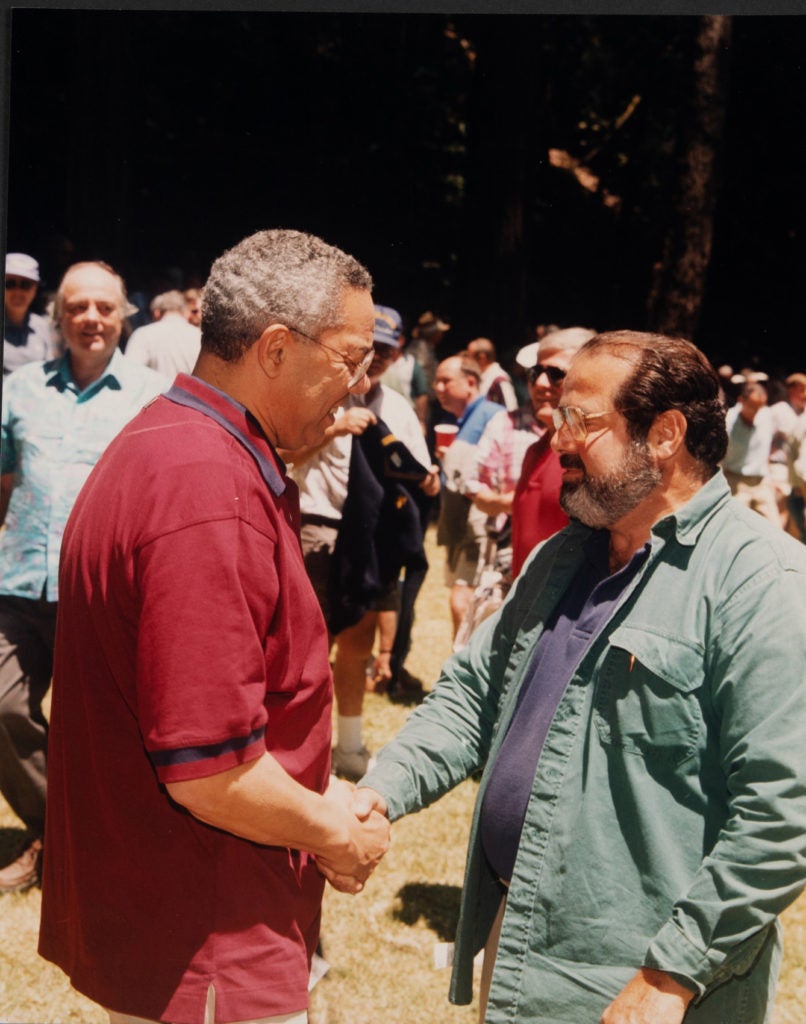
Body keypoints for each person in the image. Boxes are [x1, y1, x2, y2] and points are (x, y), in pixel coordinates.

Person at [355, 330, 806, 1024]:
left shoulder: (762, 582)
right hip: (521, 947)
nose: (558, 438)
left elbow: (784, 809)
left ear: (665, 435)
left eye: (580, 420)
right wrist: (380, 791)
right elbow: (473, 698)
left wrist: (671, 972)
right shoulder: (561, 558)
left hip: (648, 980)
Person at [38, 230, 391, 1024]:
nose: (358, 384)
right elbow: (208, 772)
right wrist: (335, 832)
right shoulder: (206, 486)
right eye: (349, 357)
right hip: (206, 934)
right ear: (276, 348)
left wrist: (318, 786)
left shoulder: (170, 443)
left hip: (173, 918)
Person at [0, 260, 169, 894]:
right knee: (3, 706)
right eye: (76, 307)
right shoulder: (20, 390)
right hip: (19, 581)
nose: (90, 318)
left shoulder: (154, 395)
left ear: (124, 316)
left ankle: (102, 847)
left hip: (105, 592)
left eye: (103, 306)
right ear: (57, 317)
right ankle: (57, 831)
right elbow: (4, 479)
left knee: (103, 731)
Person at [290, 304, 439, 779]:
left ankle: (350, 749)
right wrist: (334, 427)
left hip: (371, 538)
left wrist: (430, 479)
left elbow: (418, 469)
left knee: (357, 646)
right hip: (317, 527)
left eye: (386, 352)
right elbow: (284, 455)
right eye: (368, 349)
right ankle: (299, 750)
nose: (375, 361)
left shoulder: (396, 406)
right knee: (310, 648)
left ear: (397, 355)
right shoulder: (316, 395)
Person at [510, 326, 596, 576]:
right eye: (535, 372)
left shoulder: (589, 456)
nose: (540, 383)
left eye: (556, 374)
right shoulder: (535, 451)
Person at [433, 353, 503, 636]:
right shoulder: (461, 420)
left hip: (478, 526)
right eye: (436, 381)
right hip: (459, 524)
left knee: (464, 601)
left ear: (471, 382)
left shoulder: (493, 416)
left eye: (446, 381)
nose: (438, 388)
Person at [722, 379, 780, 525]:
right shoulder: (727, 421)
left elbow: (766, 447)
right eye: (753, 407)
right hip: (735, 480)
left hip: (761, 481)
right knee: (736, 526)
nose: (756, 412)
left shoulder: (766, 416)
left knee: (774, 527)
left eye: (760, 407)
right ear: (741, 401)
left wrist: (770, 476)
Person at [125, 288, 202, 378]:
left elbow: (129, 374)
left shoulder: (143, 335)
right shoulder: (200, 337)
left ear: (156, 313)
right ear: (186, 313)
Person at [3, 252, 57, 375]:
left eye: (25, 285)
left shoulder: (42, 326)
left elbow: (49, 370)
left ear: (35, 289)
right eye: (10, 284)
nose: (18, 292)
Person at [467, 337, 517, 412]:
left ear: (482, 358)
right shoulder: (483, 378)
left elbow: (511, 409)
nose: (469, 361)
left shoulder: (499, 378)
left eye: (471, 357)